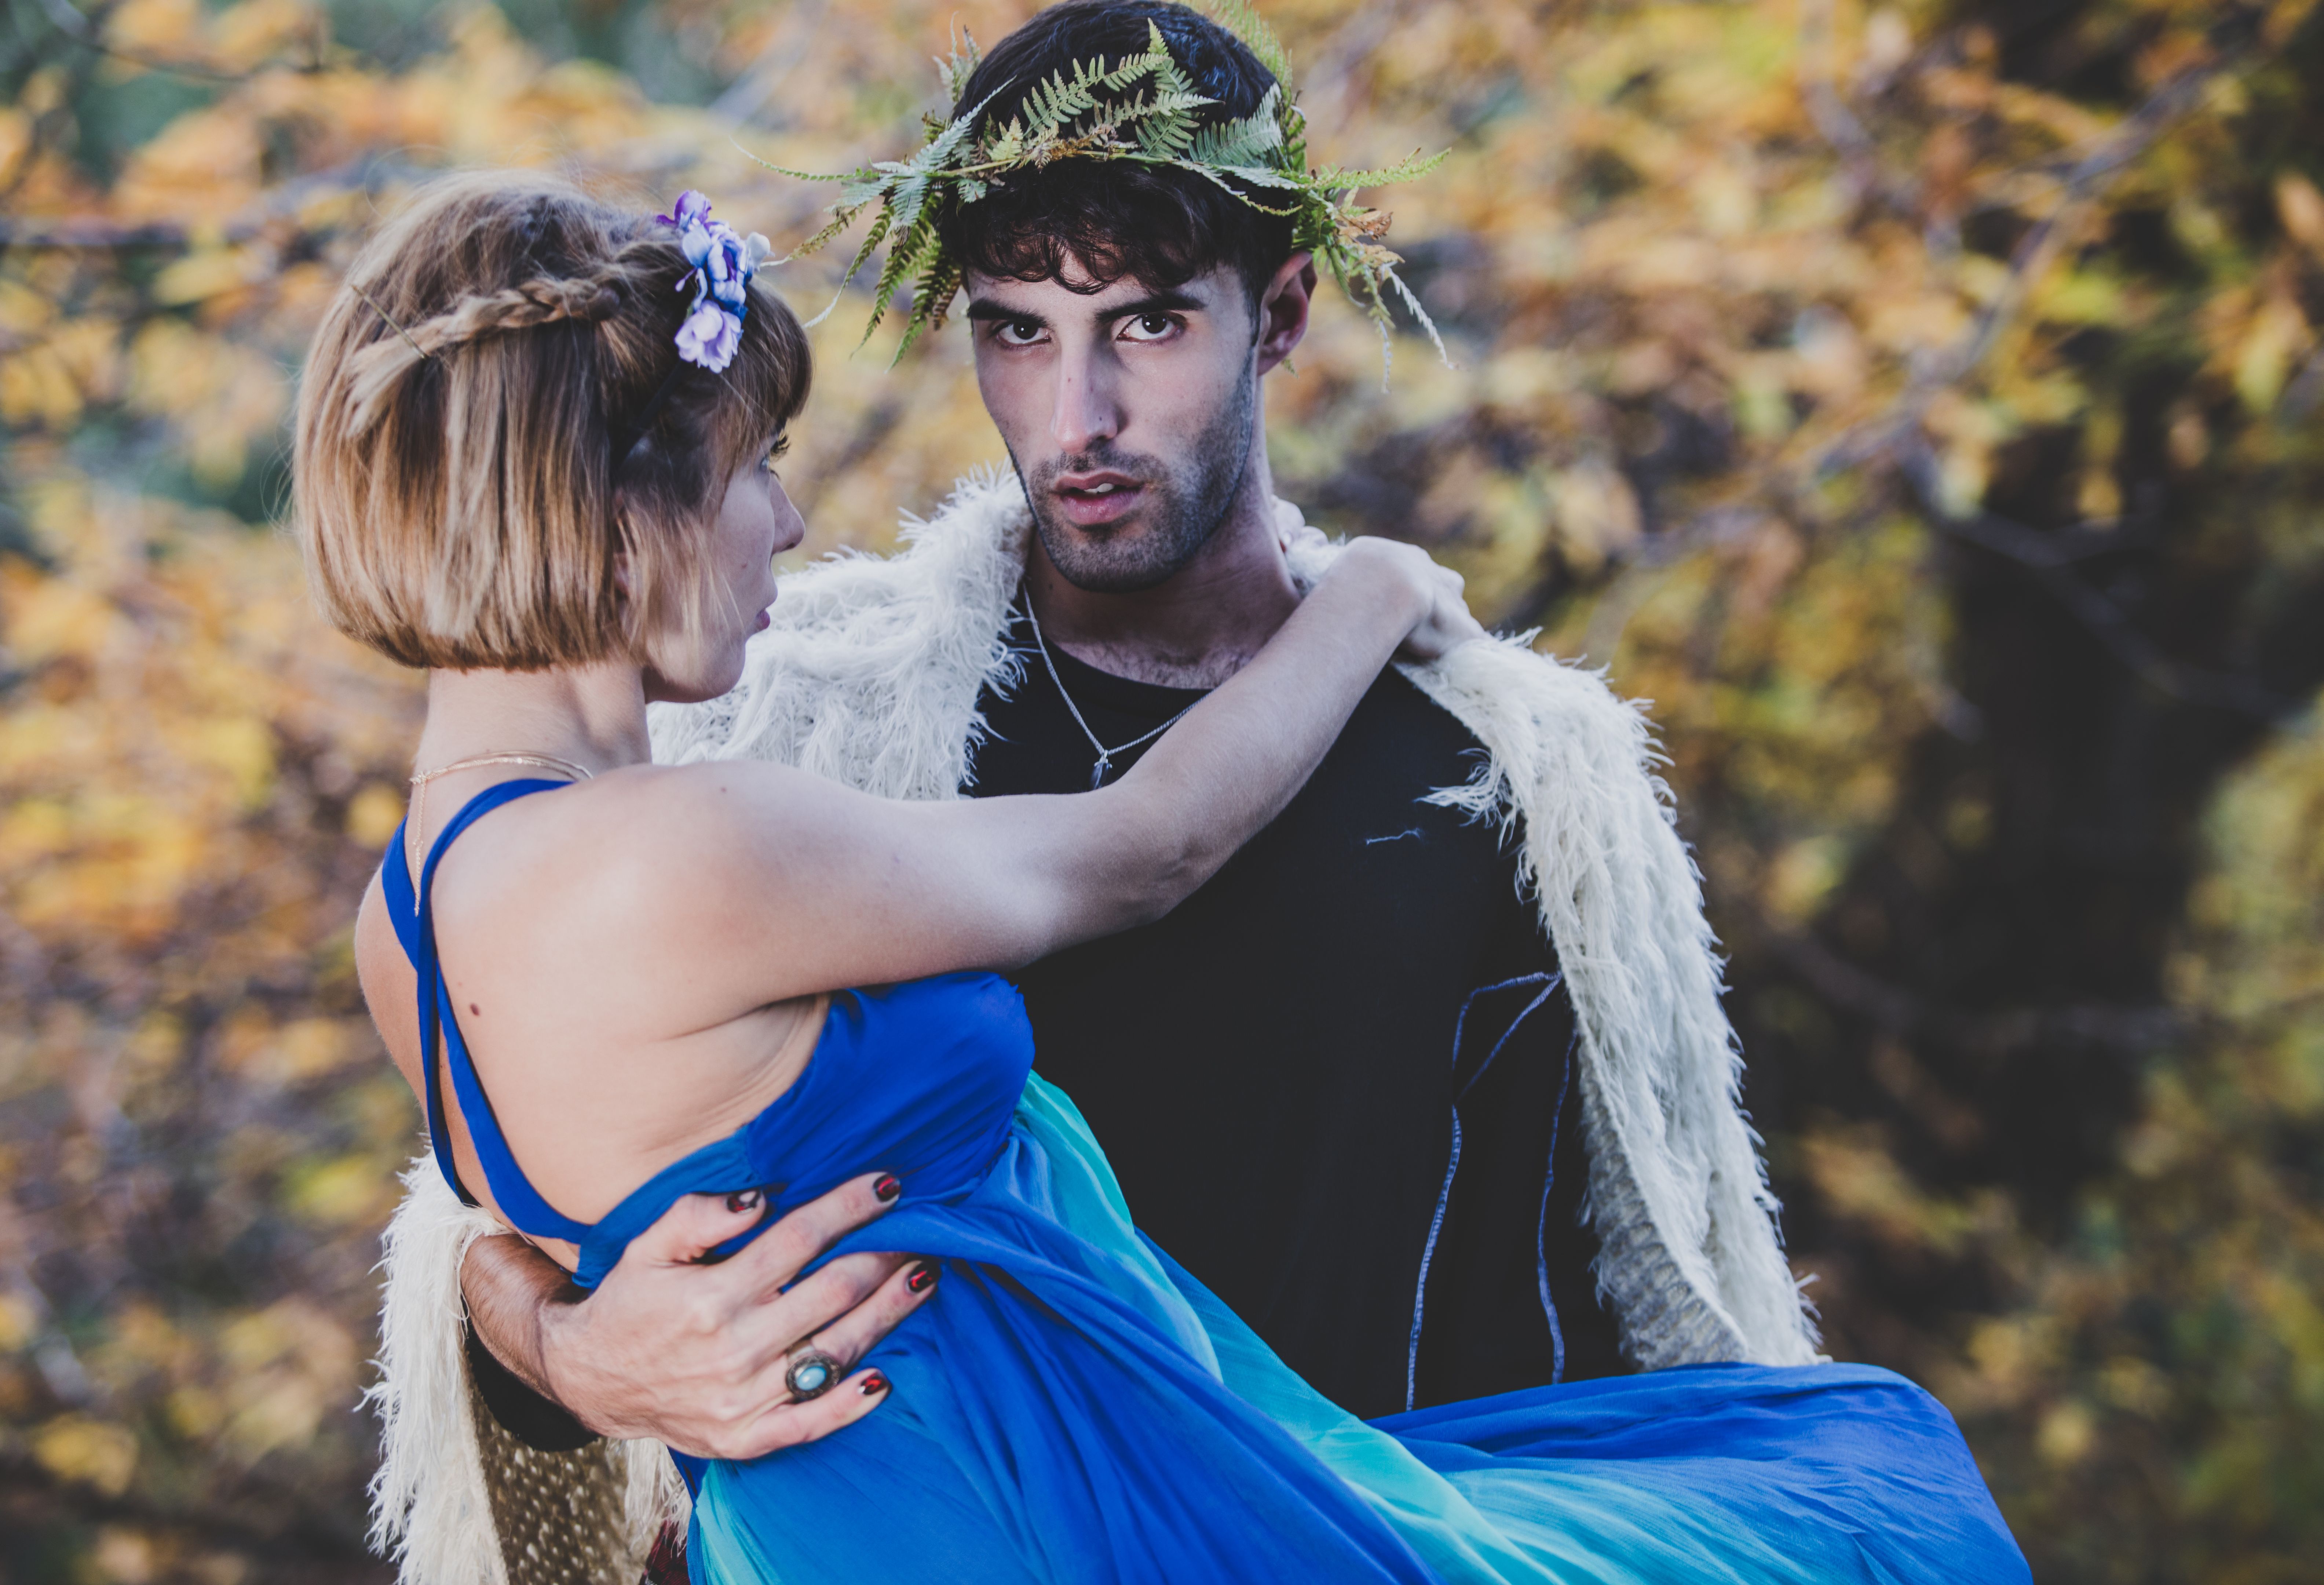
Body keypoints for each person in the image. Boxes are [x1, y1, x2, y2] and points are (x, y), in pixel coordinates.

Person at [359, 6, 1981, 1582]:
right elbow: (498, 1202)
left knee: (1860, 1489)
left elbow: (1660, 1241)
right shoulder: (786, 717)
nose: (1079, 420)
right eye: (1016, 331)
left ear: (1278, 316)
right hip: (975, 1520)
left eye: (1145, 324)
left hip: (1379, 1504)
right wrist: (571, 1352)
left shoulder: (1525, 760)